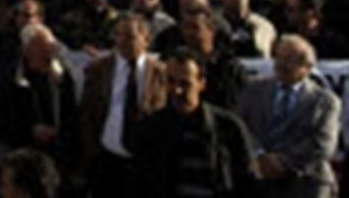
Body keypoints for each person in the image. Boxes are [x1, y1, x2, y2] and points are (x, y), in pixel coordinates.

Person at [130, 47, 256, 198]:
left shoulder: (228, 128)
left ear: (201, 83)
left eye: (185, 84)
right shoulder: (151, 129)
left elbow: (247, 181)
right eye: (171, 81)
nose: (177, 90)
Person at [237, 34, 341, 198]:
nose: (280, 65)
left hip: (306, 181)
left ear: (307, 67)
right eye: (278, 58)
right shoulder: (254, 89)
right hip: (258, 179)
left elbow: (323, 144)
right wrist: (259, 155)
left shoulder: (325, 101)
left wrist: (283, 163)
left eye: (289, 60)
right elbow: (240, 126)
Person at [78, 12, 166, 198]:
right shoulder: (98, 70)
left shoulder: (160, 73)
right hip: (108, 161)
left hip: (146, 164)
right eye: (118, 35)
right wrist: (92, 151)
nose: (122, 42)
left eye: (130, 37)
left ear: (146, 40)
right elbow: (87, 112)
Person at [0, 24, 79, 177]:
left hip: (55, 156)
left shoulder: (61, 76)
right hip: (20, 155)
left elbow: (71, 115)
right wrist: (29, 130)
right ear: (27, 50)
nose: (49, 52)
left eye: (51, 47)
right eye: (43, 48)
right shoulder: (11, 79)